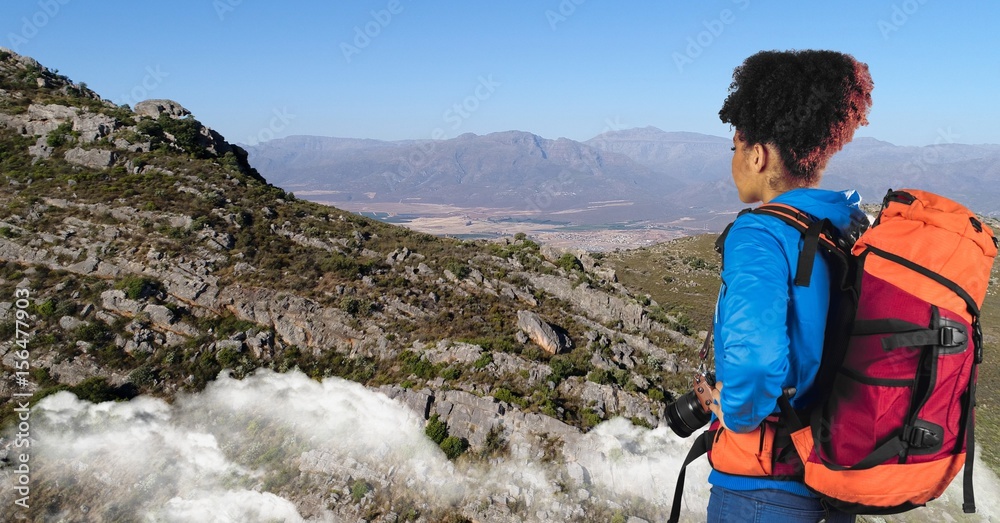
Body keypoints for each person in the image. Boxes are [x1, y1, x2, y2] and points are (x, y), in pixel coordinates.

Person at [705, 49, 874, 522]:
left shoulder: (759, 233)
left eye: (734, 146)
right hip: (832, 481)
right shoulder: (847, 226)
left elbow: (756, 362)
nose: (734, 159)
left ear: (756, 154)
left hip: (761, 489)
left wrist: (735, 413)